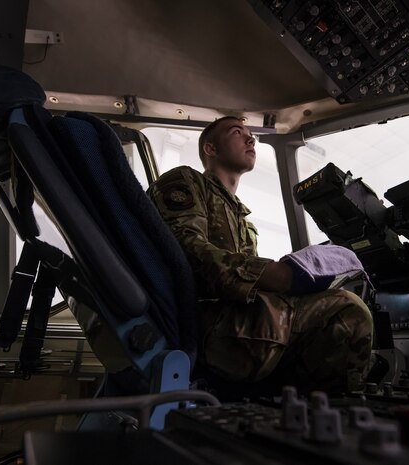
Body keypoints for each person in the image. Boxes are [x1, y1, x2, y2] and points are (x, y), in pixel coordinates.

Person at [147, 116, 373, 394]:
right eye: (237, 132)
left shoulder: (244, 221)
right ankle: (335, 422)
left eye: (251, 134)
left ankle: (301, 414)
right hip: (212, 329)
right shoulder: (185, 181)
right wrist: (274, 275)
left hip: (242, 322)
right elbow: (184, 248)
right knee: (347, 311)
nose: (250, 139)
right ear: (210, 149)